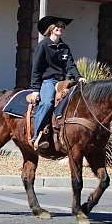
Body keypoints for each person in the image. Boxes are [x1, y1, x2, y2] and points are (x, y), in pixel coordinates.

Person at [29, 15, 86, 150]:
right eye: (57, 26)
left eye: (62, 26)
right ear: (51, 29)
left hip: (63, 81)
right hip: (48, 80)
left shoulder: (64, 47)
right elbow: (36, 68)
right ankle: (36, 135)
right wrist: (35, 89)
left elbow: (70, 65)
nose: (60, 28)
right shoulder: (43, 45)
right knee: (47, 103)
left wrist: (78, 77)